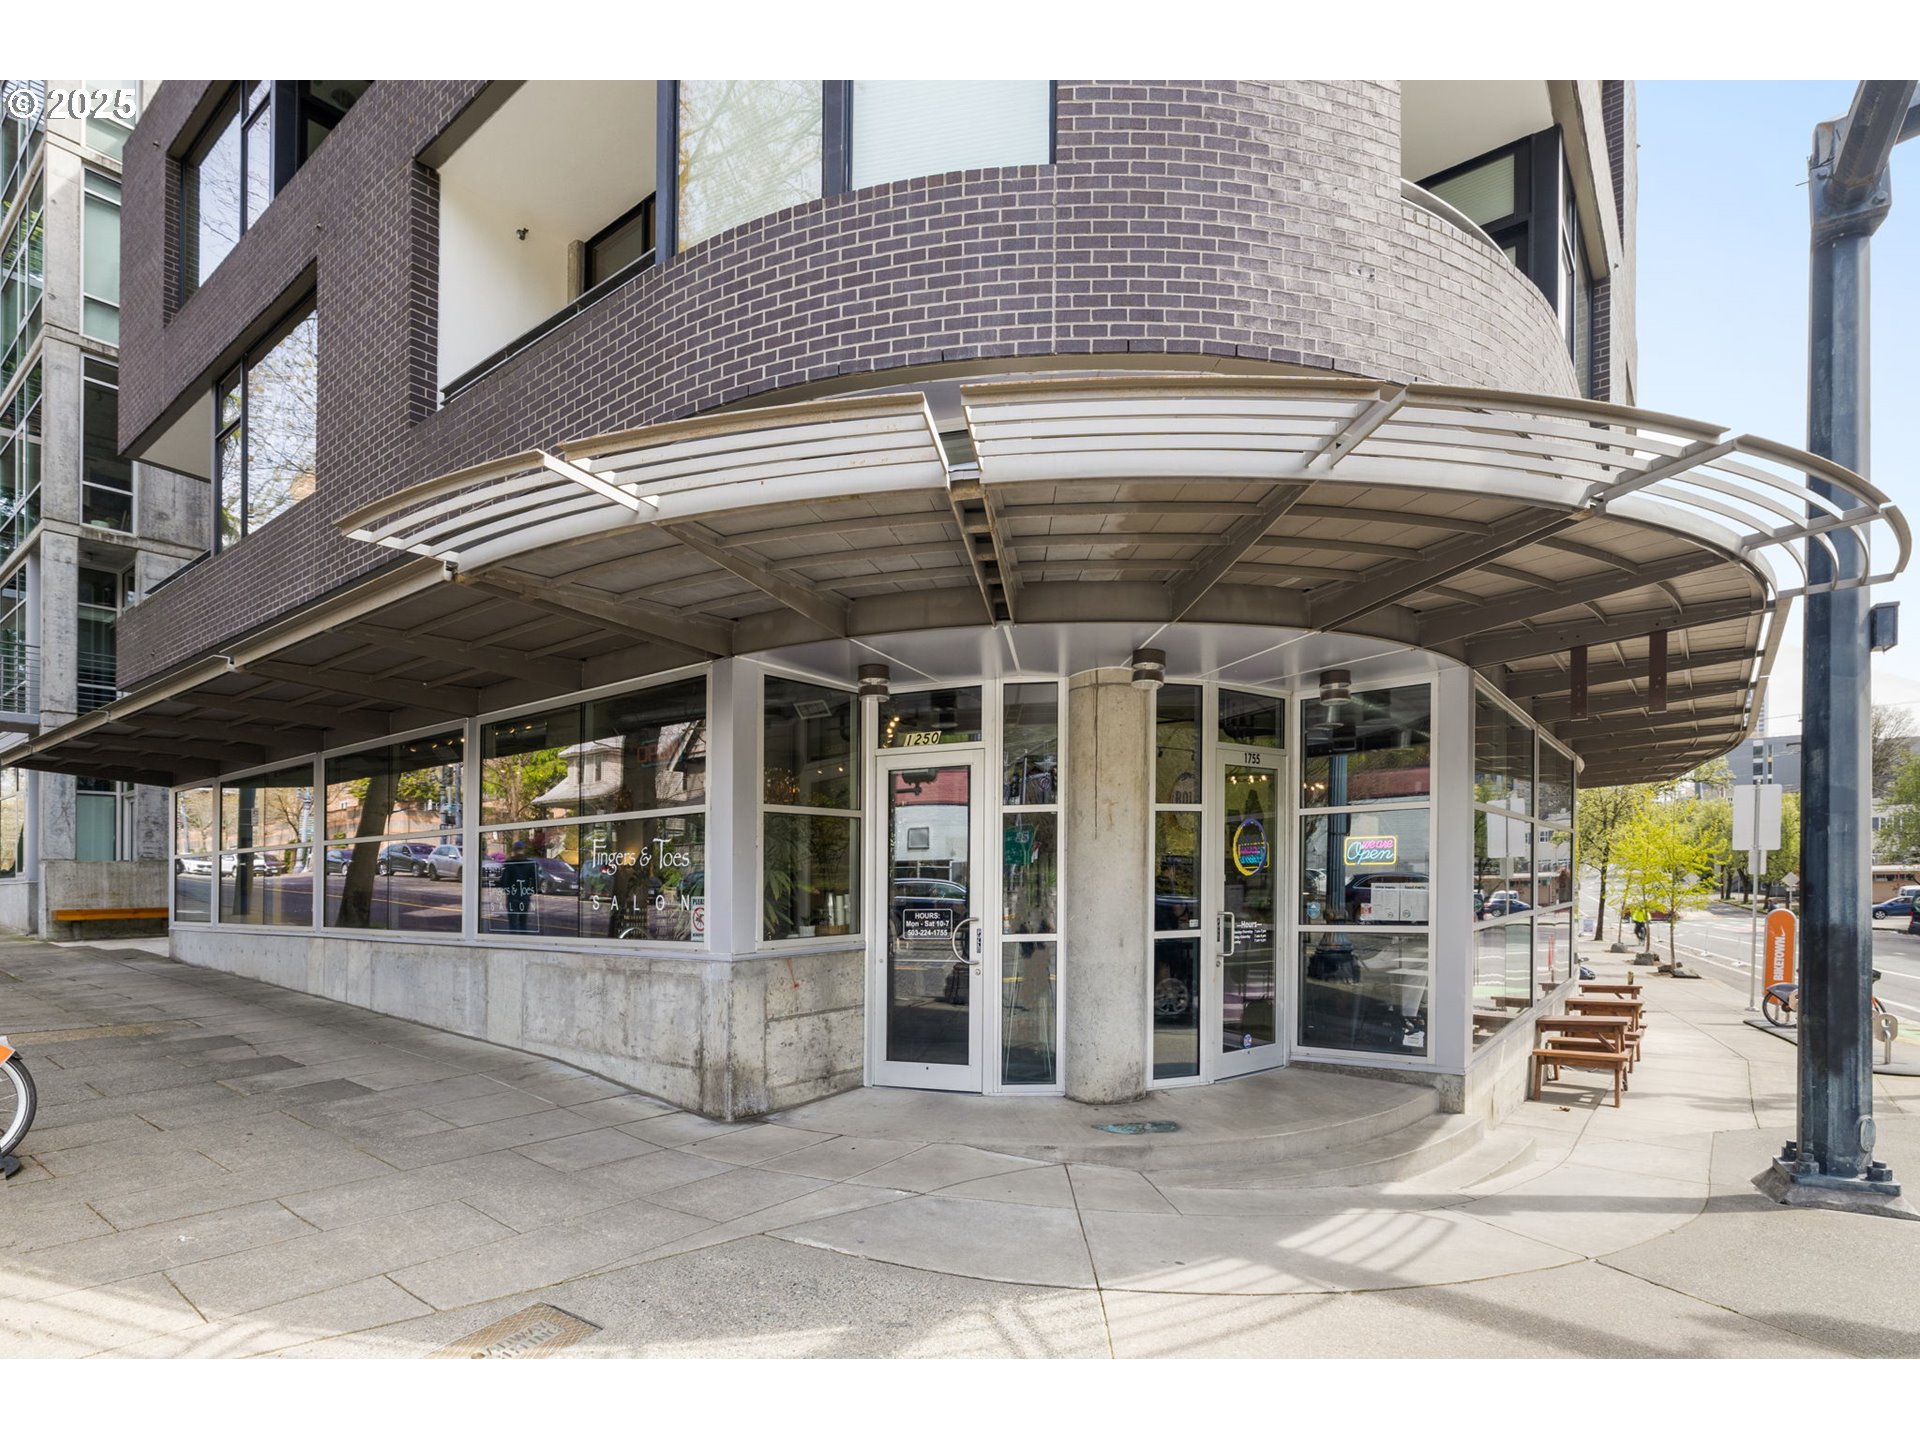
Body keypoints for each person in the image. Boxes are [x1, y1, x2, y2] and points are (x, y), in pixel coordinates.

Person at [500, 840, 539, 934]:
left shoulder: (509, 864)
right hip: (524, 896)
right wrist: (530, 891)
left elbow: (504, 881)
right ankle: (522, 941)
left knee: (513, 923)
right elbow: (535, 880)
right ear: (523, 850)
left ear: (514, 850)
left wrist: (508, 890)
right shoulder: (529, 864)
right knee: (523, 922)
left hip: (512, 896)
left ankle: (513, 942)